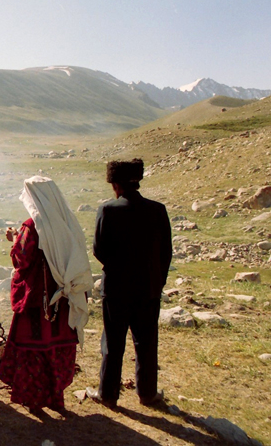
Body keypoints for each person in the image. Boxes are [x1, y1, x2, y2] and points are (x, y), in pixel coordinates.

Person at [0, 176, 93, 411]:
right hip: (63, 299)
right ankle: (56, 398)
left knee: (34, 349)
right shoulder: (67, 221)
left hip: (38, 301)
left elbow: (21, 259)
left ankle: (35, 400)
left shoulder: (32, 226)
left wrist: (14, 240)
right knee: (57, 347)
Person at [87, 159, 172, 408]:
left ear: (115, 185)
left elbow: (98, 249)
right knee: (146, 342)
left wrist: (115, 268)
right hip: (148, 288)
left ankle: (108, 394)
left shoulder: (108, 210)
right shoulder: (158, 210)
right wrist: (158, 280)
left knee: (113, 342)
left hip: (116, 288)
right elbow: (166, 252)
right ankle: (147, 394)